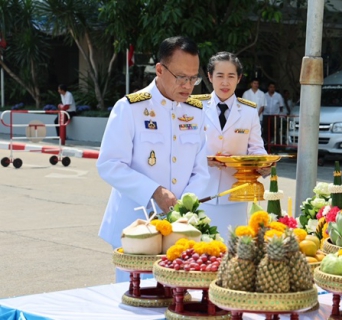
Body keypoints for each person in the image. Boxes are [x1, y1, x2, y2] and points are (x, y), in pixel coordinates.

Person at [96, 36, 209, 282]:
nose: (188, 86)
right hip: (135, 228)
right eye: (181, 77)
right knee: (137, 301)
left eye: (193, 78)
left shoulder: (196, 112)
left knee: (176, 299)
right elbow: (109, 164)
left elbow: (201, 170)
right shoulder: (130, 108)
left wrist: (185, 206)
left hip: (179, 228)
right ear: (159, 69)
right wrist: (154, 191)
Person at [193, 52, 268, 239]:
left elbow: (256, 148)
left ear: (239, 79)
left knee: (232, 252)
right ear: (210, 77)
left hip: (234, 194)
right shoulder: (194, 108)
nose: (225, 82)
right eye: (219, 76)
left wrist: (263, 163)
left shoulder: (249, 111)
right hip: (200, 192)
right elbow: (183, 149)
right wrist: (206, 160)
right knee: (201, 252)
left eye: (231, 76)